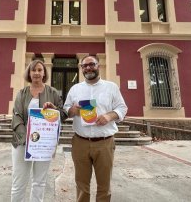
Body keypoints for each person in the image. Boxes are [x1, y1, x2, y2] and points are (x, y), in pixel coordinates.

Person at [64, 55, 127, 202]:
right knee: (81, 184)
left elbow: (122, 108)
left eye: (91, 64)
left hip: (104, 143)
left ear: (98, 66)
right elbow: (66, 109)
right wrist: (72, 110)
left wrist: (109, 116)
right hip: (80, 142)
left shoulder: (111, 87)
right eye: (84, 66)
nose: (88, 68)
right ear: (81, 69)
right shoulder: (75, 89)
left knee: (104, 185)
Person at [10, 59, 67, 202]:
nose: (36, 73)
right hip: (22, 143)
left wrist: (54, 109)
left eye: (40, 70)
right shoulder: (22, 93)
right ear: (29, 73)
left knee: (39, 183)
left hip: (43, 145)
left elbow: (63, 114)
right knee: (18, 183)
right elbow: (16, 116)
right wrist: (27, 137)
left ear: (44, 73)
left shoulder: (52, 92)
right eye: (33, 70)